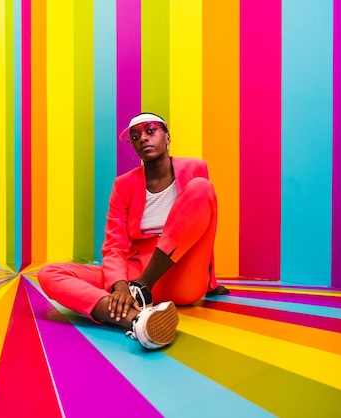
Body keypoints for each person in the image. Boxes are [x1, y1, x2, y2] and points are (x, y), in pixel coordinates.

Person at [38, 112, 226, 349]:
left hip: (182, 273)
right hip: (134, 273)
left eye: (150, 131)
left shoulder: (195, 168)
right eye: (136, 136)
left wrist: (210, 282)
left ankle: (141, 291)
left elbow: (202, 224)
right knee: (49, 274)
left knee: (201, 188)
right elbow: (114, 243)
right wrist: (120, 286)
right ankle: (137, 321)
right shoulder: (124, 185)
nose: (143, 139)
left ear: (167, 137)